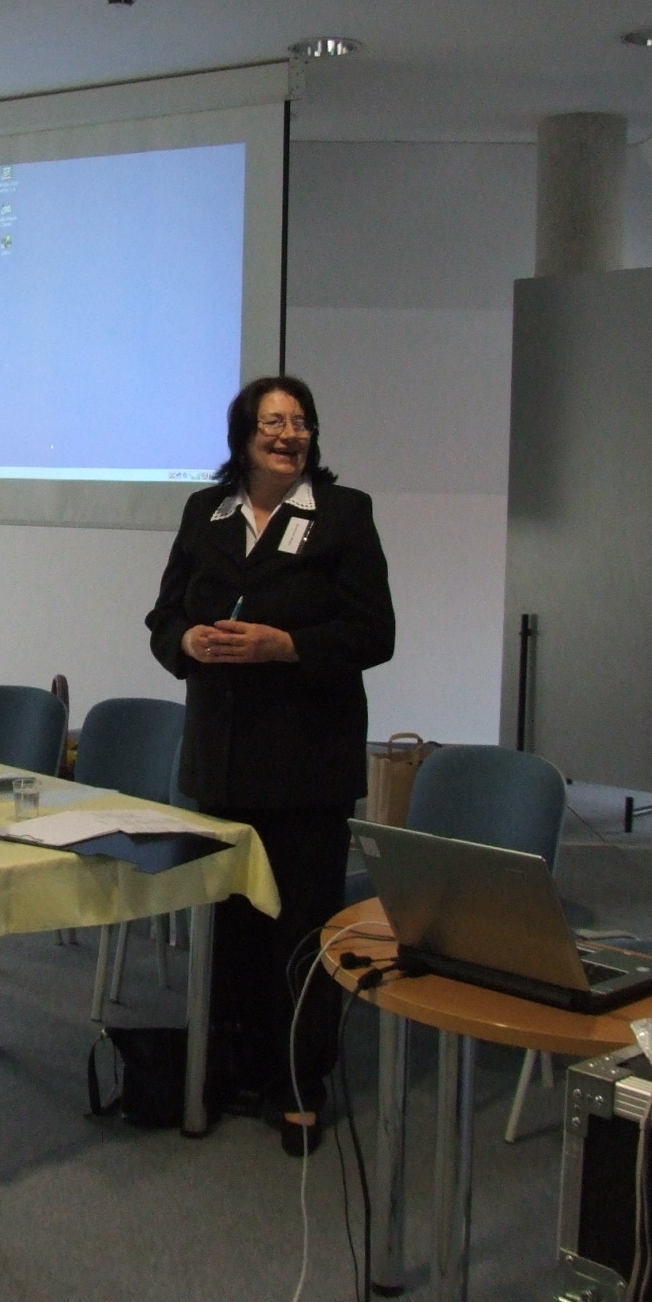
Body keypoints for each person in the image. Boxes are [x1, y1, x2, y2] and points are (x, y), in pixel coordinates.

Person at [146, 375, 394, 1153]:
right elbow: (164, 617)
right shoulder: (206, 512)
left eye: (301, 422)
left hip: (306, 764)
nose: (289, 435)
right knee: (232, 928)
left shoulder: (344, 514)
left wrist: (287, 646)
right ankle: (235, 1067)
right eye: (273, 422)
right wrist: (188, 642)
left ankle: (299, 1084)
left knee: (299, 928)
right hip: (220, 761)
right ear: (243, 435)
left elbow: (375, 633)